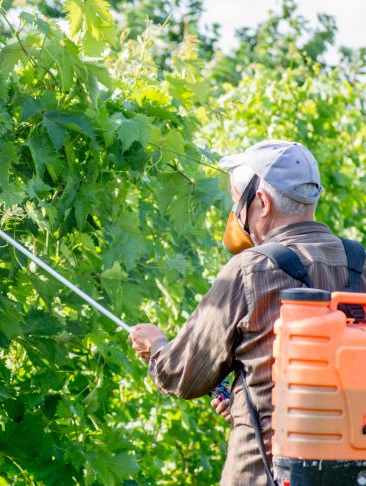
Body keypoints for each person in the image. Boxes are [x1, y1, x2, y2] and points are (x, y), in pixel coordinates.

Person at [128, 140, 365, 486]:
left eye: (237, 201)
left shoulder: (249, 270)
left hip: (261, 474)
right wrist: (244, 400)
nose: (236, 214)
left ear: (262, 203)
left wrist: (157, 346)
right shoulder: (360, 264)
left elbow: (183, 375)